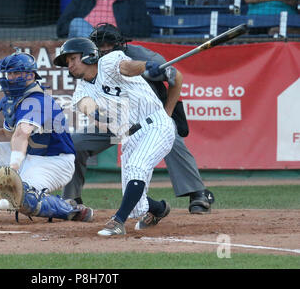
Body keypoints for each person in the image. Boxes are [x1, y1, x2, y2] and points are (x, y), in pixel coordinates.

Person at [61, 23, 215, 215]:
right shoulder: (88, 76)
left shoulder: (141, 56)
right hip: (115, 123)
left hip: (149, 115)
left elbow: (177, 78)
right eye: (100, 47)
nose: (105, 50)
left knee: (171, 138)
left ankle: (197, 192)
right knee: (75, 143)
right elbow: (89, 107)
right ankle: (71, 198)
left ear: (120, 44)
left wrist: (167, 113)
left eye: (109, 45)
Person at [54, 38, 177, 236]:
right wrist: (101, 113)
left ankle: (118, 221)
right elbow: (91, 109)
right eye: (67, 62)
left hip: (155, 124)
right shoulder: (80, 91)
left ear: (88, 55)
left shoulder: (108, 62)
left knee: (137, 166)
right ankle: (159, 209)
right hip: (129, 136)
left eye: (72, 58)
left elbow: (128, 67)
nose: (70, 65)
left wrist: (147, 68)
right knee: (137, 206)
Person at [0, 52, 94, 223]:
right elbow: (11, 134)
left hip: (54, 161)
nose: (9, 77)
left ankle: (70, 209)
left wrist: (13, 168)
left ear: (30, 75)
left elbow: (22, 134)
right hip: (29, 153)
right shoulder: (14, 100)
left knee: (19, 196)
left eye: (15, 73)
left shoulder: (37, 100)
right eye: (9, 73)